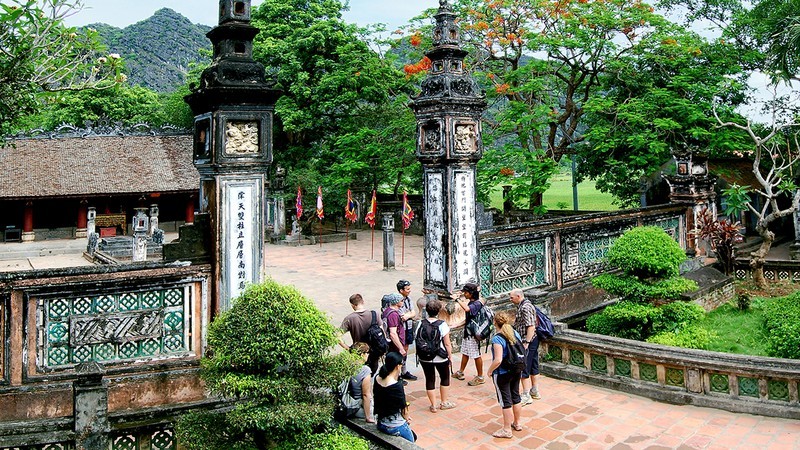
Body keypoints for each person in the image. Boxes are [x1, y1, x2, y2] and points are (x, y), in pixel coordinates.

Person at [487, 310, 523, 439]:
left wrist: (490, 370)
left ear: (495, 322)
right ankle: (517, 423)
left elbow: (498, 360)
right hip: (516, 369)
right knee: (516, 396)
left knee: (505, 401)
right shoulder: (515, 333)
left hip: (502, 373)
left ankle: (507, 429)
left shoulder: (497, 338)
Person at [416, 298, 456, 413]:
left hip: (424, 356)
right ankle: (444, 402)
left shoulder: (420, 323)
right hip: (440, 356)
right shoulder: (442, 325)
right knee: (444, 377)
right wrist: (450, 356)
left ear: (427, 311)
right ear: (439, 311)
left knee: (430, 379)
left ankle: (433, 405)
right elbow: (447, 343)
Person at [373, 352, 416, 442]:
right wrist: (406, 418)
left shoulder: (377, 378)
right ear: (397, 366)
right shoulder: (396, 385)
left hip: (381, 421)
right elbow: (404, 408)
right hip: (394, 425)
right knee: (411, 441)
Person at [510, 288, 541, 405]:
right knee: (533, 364)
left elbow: (531, 326)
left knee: (523, 366)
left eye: (512, 297)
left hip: (528, 340)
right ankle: (534, 390)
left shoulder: (525, 307)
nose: (510, 299)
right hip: (532, 340)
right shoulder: (523, 305)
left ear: (518, 296)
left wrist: (526, 342)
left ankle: (526, 394)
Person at [339, 293, 382, 374]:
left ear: (352, 305)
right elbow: (382, 331)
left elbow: (337, 336)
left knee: (360, 375)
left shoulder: (349, 318)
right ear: (363, 301)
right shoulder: (375, 314)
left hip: (359, 353)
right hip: (374, 351)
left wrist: (348, 348)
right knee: (371, 373)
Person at [453, 282, 486, 386]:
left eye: (466, 293)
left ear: (471, 293)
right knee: (465, 352)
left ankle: (480, 376)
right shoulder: (472, 302)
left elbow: (467, 309)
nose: (464, 294)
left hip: (473, 333)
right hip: (468, 331)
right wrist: (457, 325)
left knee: (476, 355)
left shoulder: (476, 304)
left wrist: (457, 299)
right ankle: (461, 372)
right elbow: (469, 318)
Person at [396, 280, 418, 381]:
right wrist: (409, 315)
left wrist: (408, 315)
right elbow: (402, 317)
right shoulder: (397, 300)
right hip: (401, 329)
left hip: (408, 327)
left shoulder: (408, 299)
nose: (409, 291)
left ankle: (404, 371)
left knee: (406, 349)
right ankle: (397, 373)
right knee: (400, 350)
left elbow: (413, 313)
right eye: (407, 289)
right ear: (401, 290)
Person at [348, 342, 375, 423]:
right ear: (362, 354)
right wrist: (368, 417)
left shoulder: (347, 366)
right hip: (358, 407)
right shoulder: (365, 370)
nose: (368, 355)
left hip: (348, 403)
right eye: (367, 352)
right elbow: (366, 394)